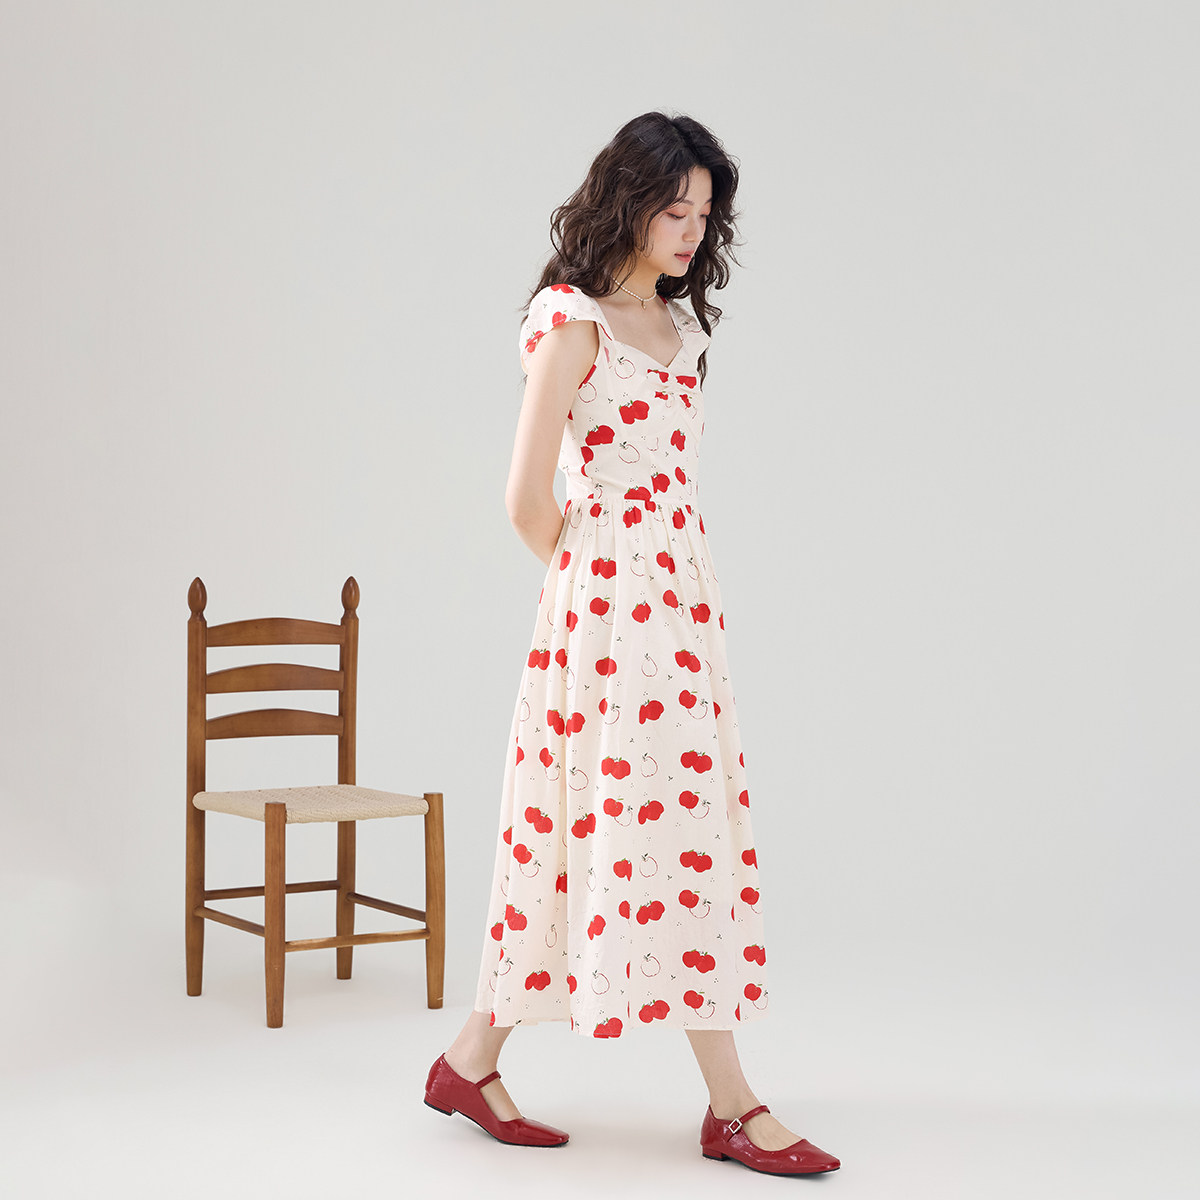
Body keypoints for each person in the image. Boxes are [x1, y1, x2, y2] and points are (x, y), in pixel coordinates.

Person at [424, 112, 840, 1176]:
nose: (692, 231)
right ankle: (732, 1107)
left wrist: (662, 596)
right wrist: (599, 595)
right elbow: (527, 500)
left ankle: (470, 1060)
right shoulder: (575, 324)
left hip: (682, 611)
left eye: (704, 213)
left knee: (638, 829)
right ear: (630, 202)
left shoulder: (680, 331)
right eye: (674, 210)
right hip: (609, 622)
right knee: (615, 825)